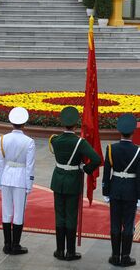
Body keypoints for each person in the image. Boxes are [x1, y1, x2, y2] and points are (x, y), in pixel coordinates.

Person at [49, 106, 101, 261]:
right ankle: (70, 252)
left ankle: (59, 250)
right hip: (72, 181)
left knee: (59, 215)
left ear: (62, 123)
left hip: (58, 180)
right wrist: (86, 168)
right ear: (76, 124)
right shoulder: (80, 143)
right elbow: (97, 159)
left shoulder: (55, 140)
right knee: (71, 215)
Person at [0, 107, 35, 255]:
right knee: (19, 212)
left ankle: (7, 244)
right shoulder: (29, 142)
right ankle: (16, 245)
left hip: (6, 176)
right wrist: (29, 185)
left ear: (12, 123)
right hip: (20, 179)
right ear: (24, 124)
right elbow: (30, 166)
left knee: (6, 211)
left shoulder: (3, 139)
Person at [103, 114, 140, 267]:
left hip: (115, 189)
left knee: (115, 223)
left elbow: (106, 173)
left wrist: (106, 192)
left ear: (120, 131)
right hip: (131, 190)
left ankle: (115, 255)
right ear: (133, 132)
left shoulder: (111, 148)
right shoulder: (138, 151)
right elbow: (139, 177)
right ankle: (125, 256)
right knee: (129, 224)